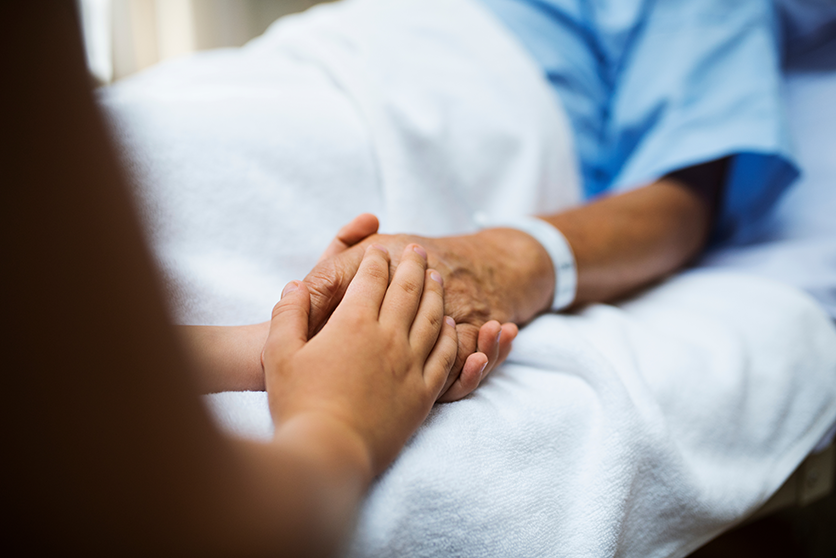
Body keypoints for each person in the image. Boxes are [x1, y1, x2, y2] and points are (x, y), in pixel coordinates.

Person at [4, 2, 475, 554]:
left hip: (346, 62)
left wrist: (266, 345)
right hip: (448, 90)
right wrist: (342, 421)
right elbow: (209, 526)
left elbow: (43, 349)